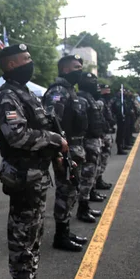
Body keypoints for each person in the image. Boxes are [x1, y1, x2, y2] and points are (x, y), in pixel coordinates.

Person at [0, 44, 65, 279]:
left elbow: (41, 127)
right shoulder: (6, 96)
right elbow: (17, 136)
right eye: (26, 59)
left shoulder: (25, 94)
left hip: (37, 172)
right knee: (22, 234)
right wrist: (56, 140)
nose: (30, 63)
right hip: (22, 175)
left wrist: (53, 151)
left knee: (35, 232)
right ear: (11, 65)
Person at [42, 55, 91, 248]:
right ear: (65, 70)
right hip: (65, 150)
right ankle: (60, 237)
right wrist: (59, 154)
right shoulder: (58, 91)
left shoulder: (71, 91)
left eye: (81, 67)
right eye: (76, 67)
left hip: (75, 147)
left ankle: (65, 231)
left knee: (71, 190)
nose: (80, 70)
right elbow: (52, 123)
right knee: (65, 191)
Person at [77, 73, 107, 214]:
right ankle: (83, 208)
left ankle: (87, 202)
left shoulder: (90, 98)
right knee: (87, 175)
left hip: (94, 140)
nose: (95, 85)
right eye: (92, 82)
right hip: (87, 141)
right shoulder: (82, 98)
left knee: (92, 173)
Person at [96, 84, 115, 190]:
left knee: (104, 158)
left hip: (106, 132)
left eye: (109, 89)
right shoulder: (99, 101)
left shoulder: (106, 101)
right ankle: (96, 182)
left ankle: (99, 179)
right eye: (106, 89)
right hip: (101, 134)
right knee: (99, 159)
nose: (108, 91)